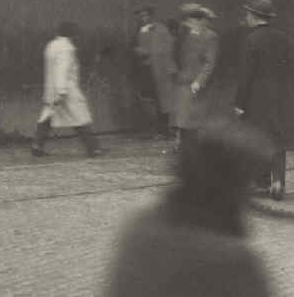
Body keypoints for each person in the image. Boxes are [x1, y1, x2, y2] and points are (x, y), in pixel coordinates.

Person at [102, 118, 272, 297]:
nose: (251, 190)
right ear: (234, 184)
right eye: (248, 181)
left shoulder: (141, 224)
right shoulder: (232, 258)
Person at [234, 0, 293, 201]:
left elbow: (246, 75)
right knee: (277, 138)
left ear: (253, 16)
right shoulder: (284, 38)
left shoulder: (251, 39)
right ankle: (278, 181)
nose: (246, 17)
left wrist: (239, 104)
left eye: (247, 14)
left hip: (257, 98)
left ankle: (260, 183)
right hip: (282, 97)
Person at [31, 21, 101, 158]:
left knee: (48, 116)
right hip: (66, 89)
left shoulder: (51, 45)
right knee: (80, 116)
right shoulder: (67, 48)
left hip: (51, 88)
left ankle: (37, 146)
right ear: (72, 34)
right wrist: (62, 91)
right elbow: (62, 70)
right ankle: (94, 148)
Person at [173, 3, 218, 149]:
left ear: (196, 20)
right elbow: (178, 57)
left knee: (198, 120)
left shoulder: (210, 37)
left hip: (198, 85)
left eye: (188, 20)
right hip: (184, 82)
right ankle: (184, 148)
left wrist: (199, 81)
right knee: (183, 120)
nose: (185, 23)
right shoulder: (184, 36)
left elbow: (209, 63)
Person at [132, 6, 175, 140]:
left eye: (145, 15)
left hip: (162, 69)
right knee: (154, 101)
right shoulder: (140, 30)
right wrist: (140, 52)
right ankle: (160, 129)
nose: (143, 18)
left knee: (163, 100)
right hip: (149, 69)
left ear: (151, 16)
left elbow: (165, 48)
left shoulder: (160, 29)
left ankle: (165, 131)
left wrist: (146, 52)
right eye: (140, 15)